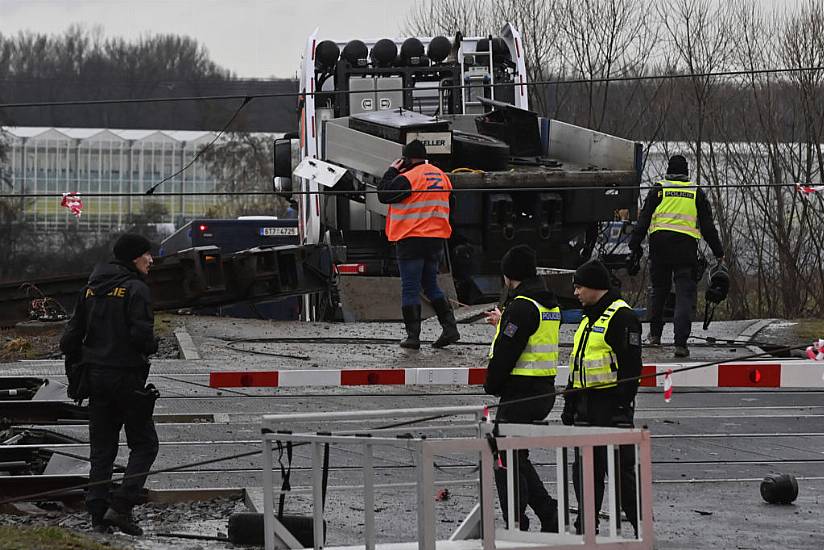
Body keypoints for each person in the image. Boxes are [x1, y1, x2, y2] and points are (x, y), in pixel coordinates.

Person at [60, 233, 160, 536]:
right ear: (133, 257)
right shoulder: (136, 290)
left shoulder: (90, 289)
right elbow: (142, 337)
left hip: (95, 380)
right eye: (147, 254)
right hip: (127, 378)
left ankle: (97, 514)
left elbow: (69, 340)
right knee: (145, 444)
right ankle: (122, 506)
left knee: (102, 449)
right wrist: (151, 344)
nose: (151, 260)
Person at [483, 244, 560, 532]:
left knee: (504, 456)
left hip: (520, 392)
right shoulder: (547, 303)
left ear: (508, 275)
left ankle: (517, 520)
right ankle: (548, 512)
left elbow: (507, 350)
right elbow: (529, 338)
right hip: (543, 389)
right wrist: (502, 322)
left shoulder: (522, 306)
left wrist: (492, 384)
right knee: (516, 455)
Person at [562, 259, 641, 536]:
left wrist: (622, 407)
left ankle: (642, 528)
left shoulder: (622, 317)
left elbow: (632, 369)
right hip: (585, 407)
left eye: (579, 287)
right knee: (584, 473)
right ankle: (586, 529)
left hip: (611, 408)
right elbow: (578, 364)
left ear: (595, 287)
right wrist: (569, 405)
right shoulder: (588, 318)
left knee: (622, 476)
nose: (575, 293)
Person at [628, 154, 724, 357]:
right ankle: (680, 344)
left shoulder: (659, 189)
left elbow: (643, 220)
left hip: (659, 248)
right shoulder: (695, 191)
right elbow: (707, 227)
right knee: (684, 296)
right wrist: (718, 252)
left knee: (658, 292)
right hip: (685, 250)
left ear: (668, 171)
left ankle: (655, 335)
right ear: (686, 173)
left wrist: (634, 244)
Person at [378, 139, 459, 350]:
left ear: (406, 159)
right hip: (436, 240)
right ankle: (450, 328)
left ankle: (413, 337)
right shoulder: (442, 176)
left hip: (411, 238)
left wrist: (390, 171)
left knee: (411, 287)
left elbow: (383, 194)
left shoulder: (408, 178)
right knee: (431, 285)